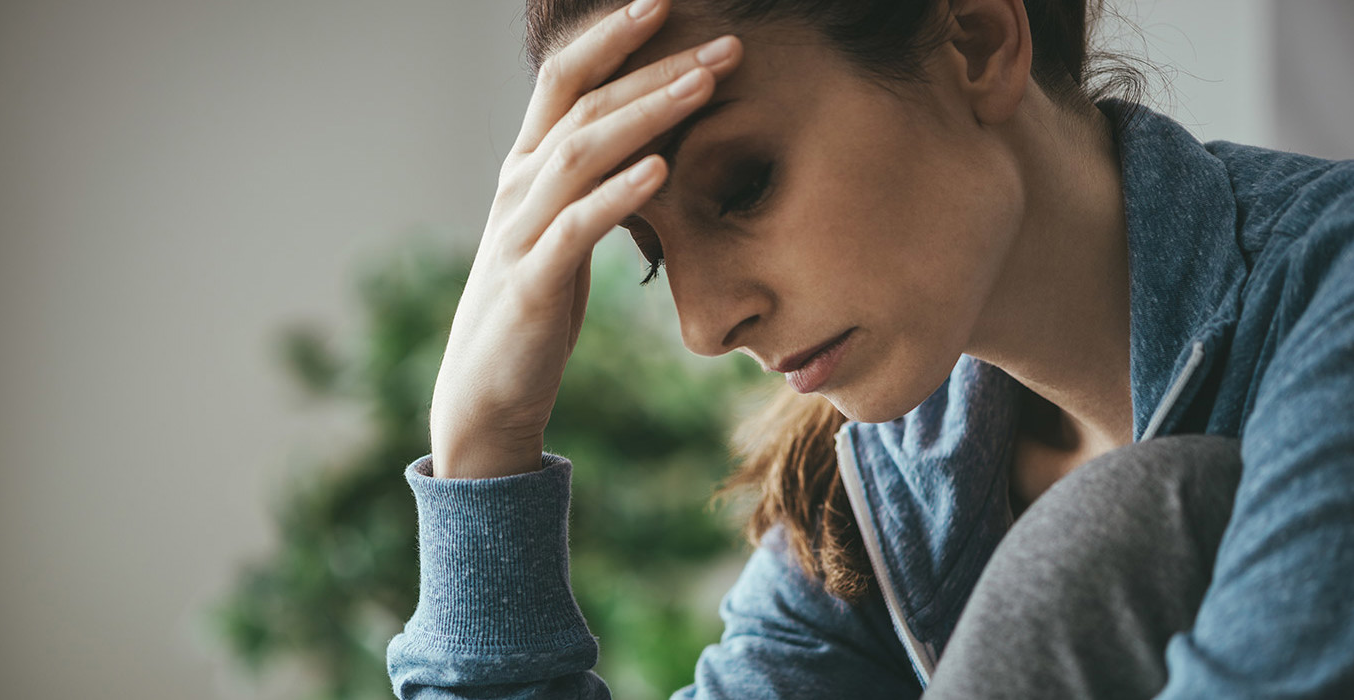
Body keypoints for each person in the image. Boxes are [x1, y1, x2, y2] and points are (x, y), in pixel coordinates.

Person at [386, 0, 1354, 697]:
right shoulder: (882, 488)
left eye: (744, 185)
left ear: (975, 40)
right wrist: (484, 447)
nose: (703, 326)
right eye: (652, 255)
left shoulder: (1332, 292)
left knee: (1130, 519)